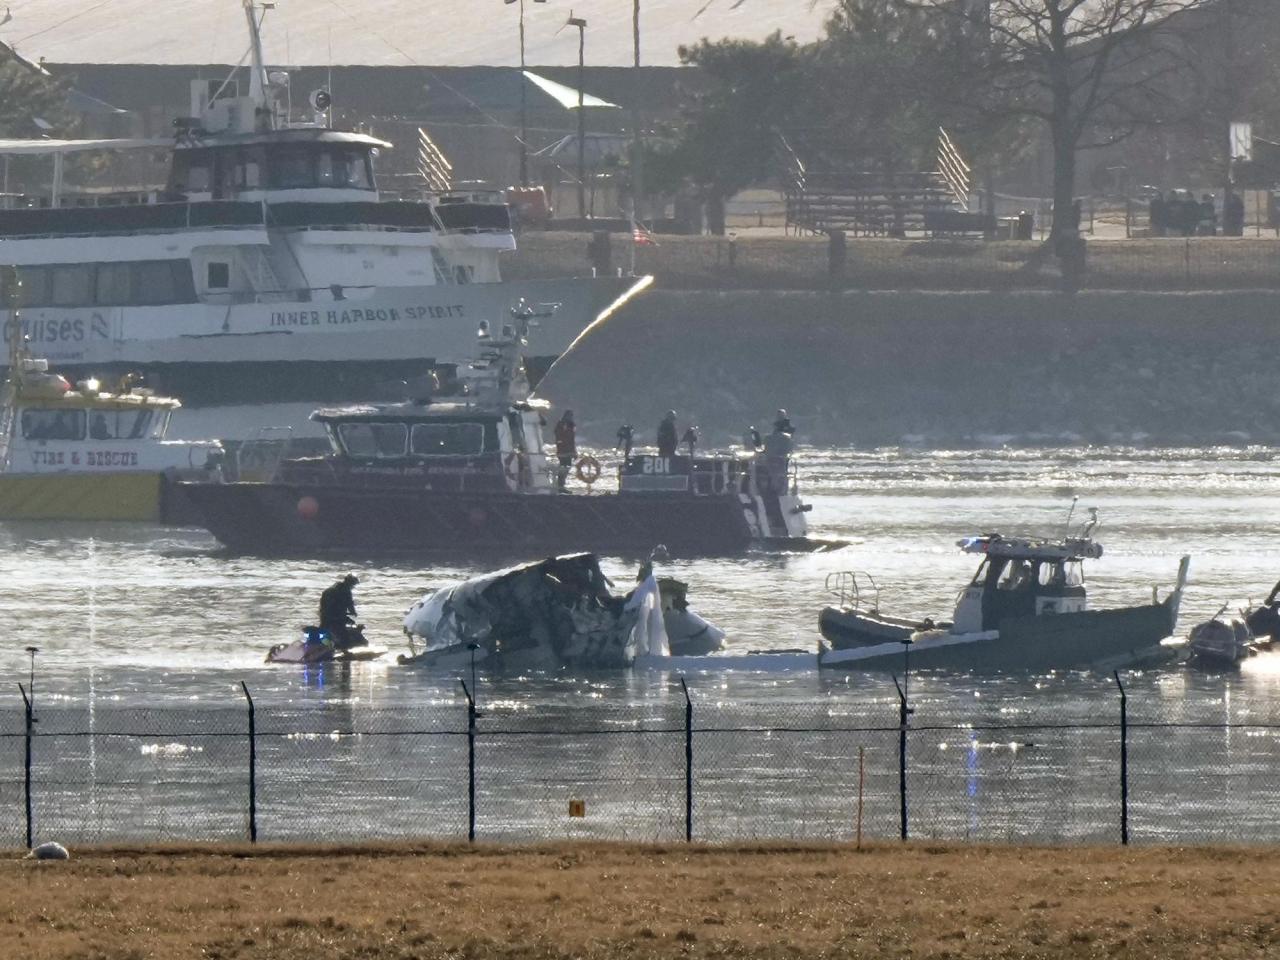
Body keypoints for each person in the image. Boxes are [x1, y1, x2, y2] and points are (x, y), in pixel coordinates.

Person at [319, 573, 363, 650]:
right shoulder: (346, 591)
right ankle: (344, 651)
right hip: (337, 618)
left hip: (325, 616)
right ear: (350, 583)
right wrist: (353, 612)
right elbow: (350, 605)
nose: (353, 587)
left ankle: (323, 644)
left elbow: (323, 605)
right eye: (353, 585)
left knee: (323, 631)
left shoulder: (330, 589)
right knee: (344, 636)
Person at [763, 418, 794, 493]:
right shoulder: (787, 437)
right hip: (781, 460)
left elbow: (765, 449)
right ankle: (781, 490)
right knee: (781, 475)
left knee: (771, 474)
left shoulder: (768, 437)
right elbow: (789, 449)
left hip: (770, 459)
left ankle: (772, 488)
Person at [554, 410, 576, 493]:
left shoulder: (571, 425)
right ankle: (560, 485)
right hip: (562, 451)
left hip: (569, 451)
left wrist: (574, 452)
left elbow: (572, 440)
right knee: (563, 467)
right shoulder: (561, 424)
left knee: (567, 467)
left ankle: (561, 485)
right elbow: (559, 436)